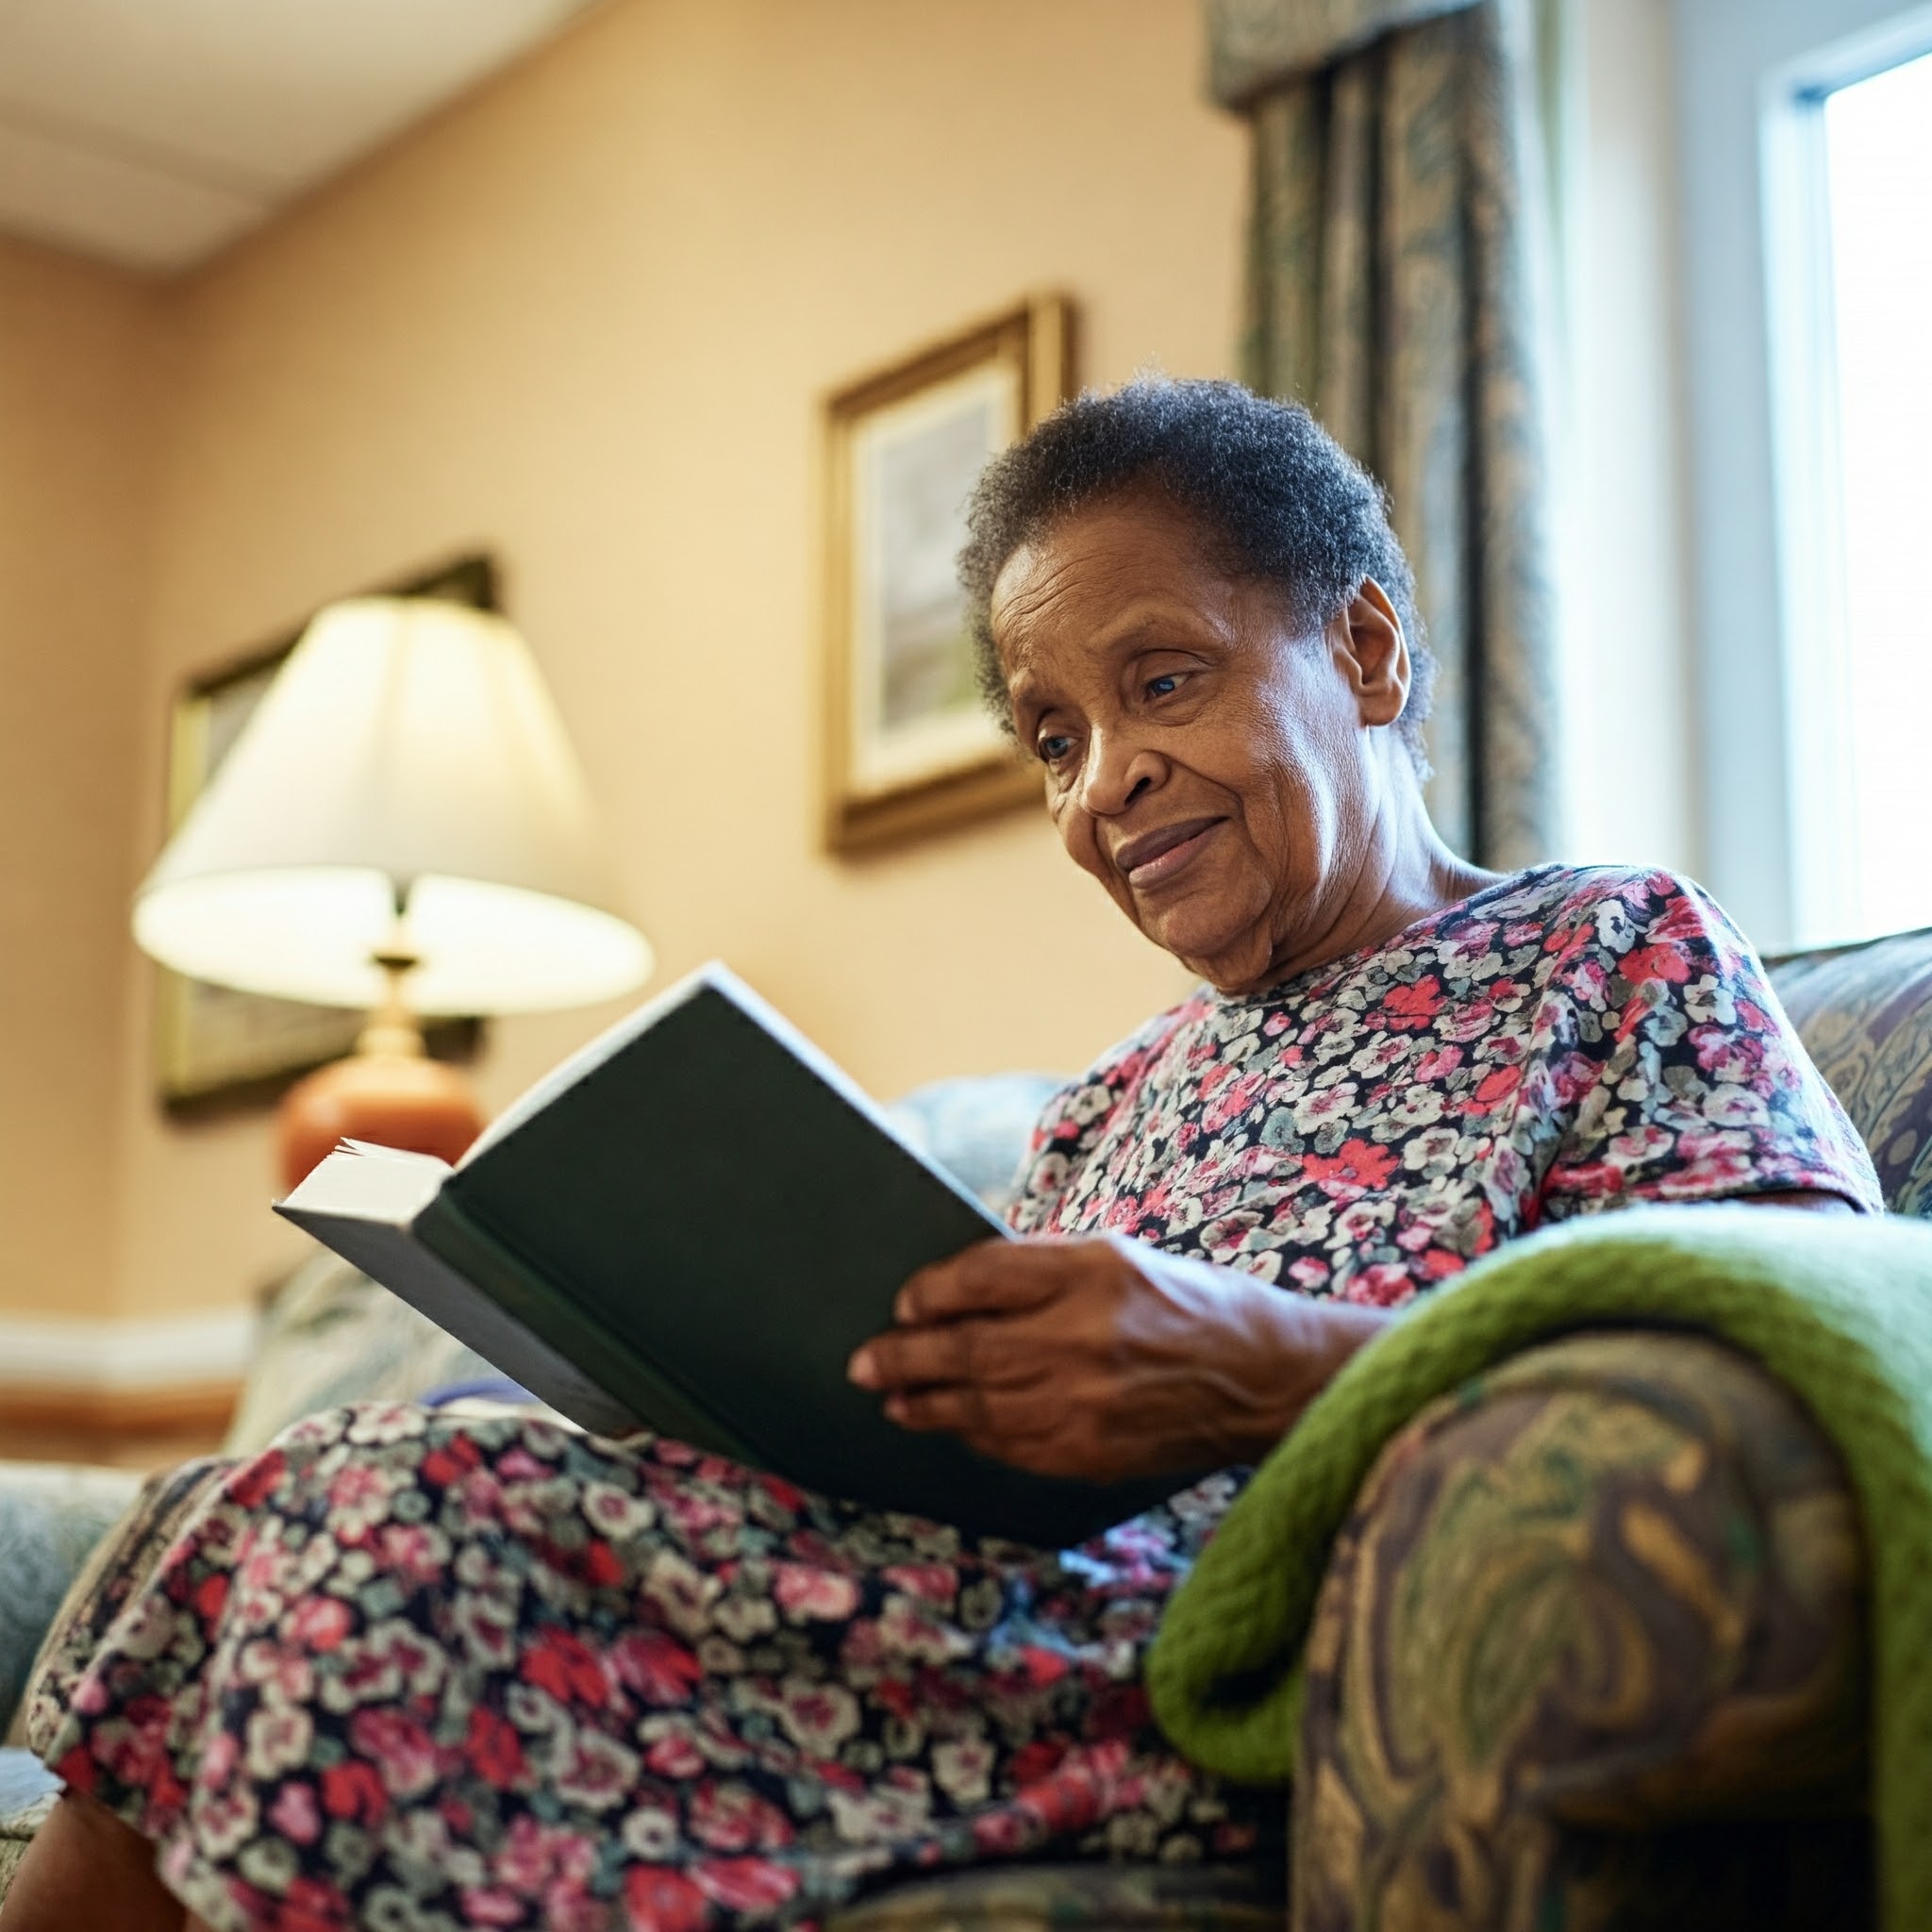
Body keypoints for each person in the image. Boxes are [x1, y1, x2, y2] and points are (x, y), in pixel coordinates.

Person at [4, 379, 1881, 1932]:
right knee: (225, 1512)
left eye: (1161, 685)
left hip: (1216, 1652)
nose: (1102, 786)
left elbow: (1793, 1350)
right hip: (946, 1605)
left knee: (377, 1523)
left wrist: (1261, 1364)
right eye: (1050, 736)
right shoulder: (1107, 1099)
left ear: (1367, 647)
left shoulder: (1607, 949)